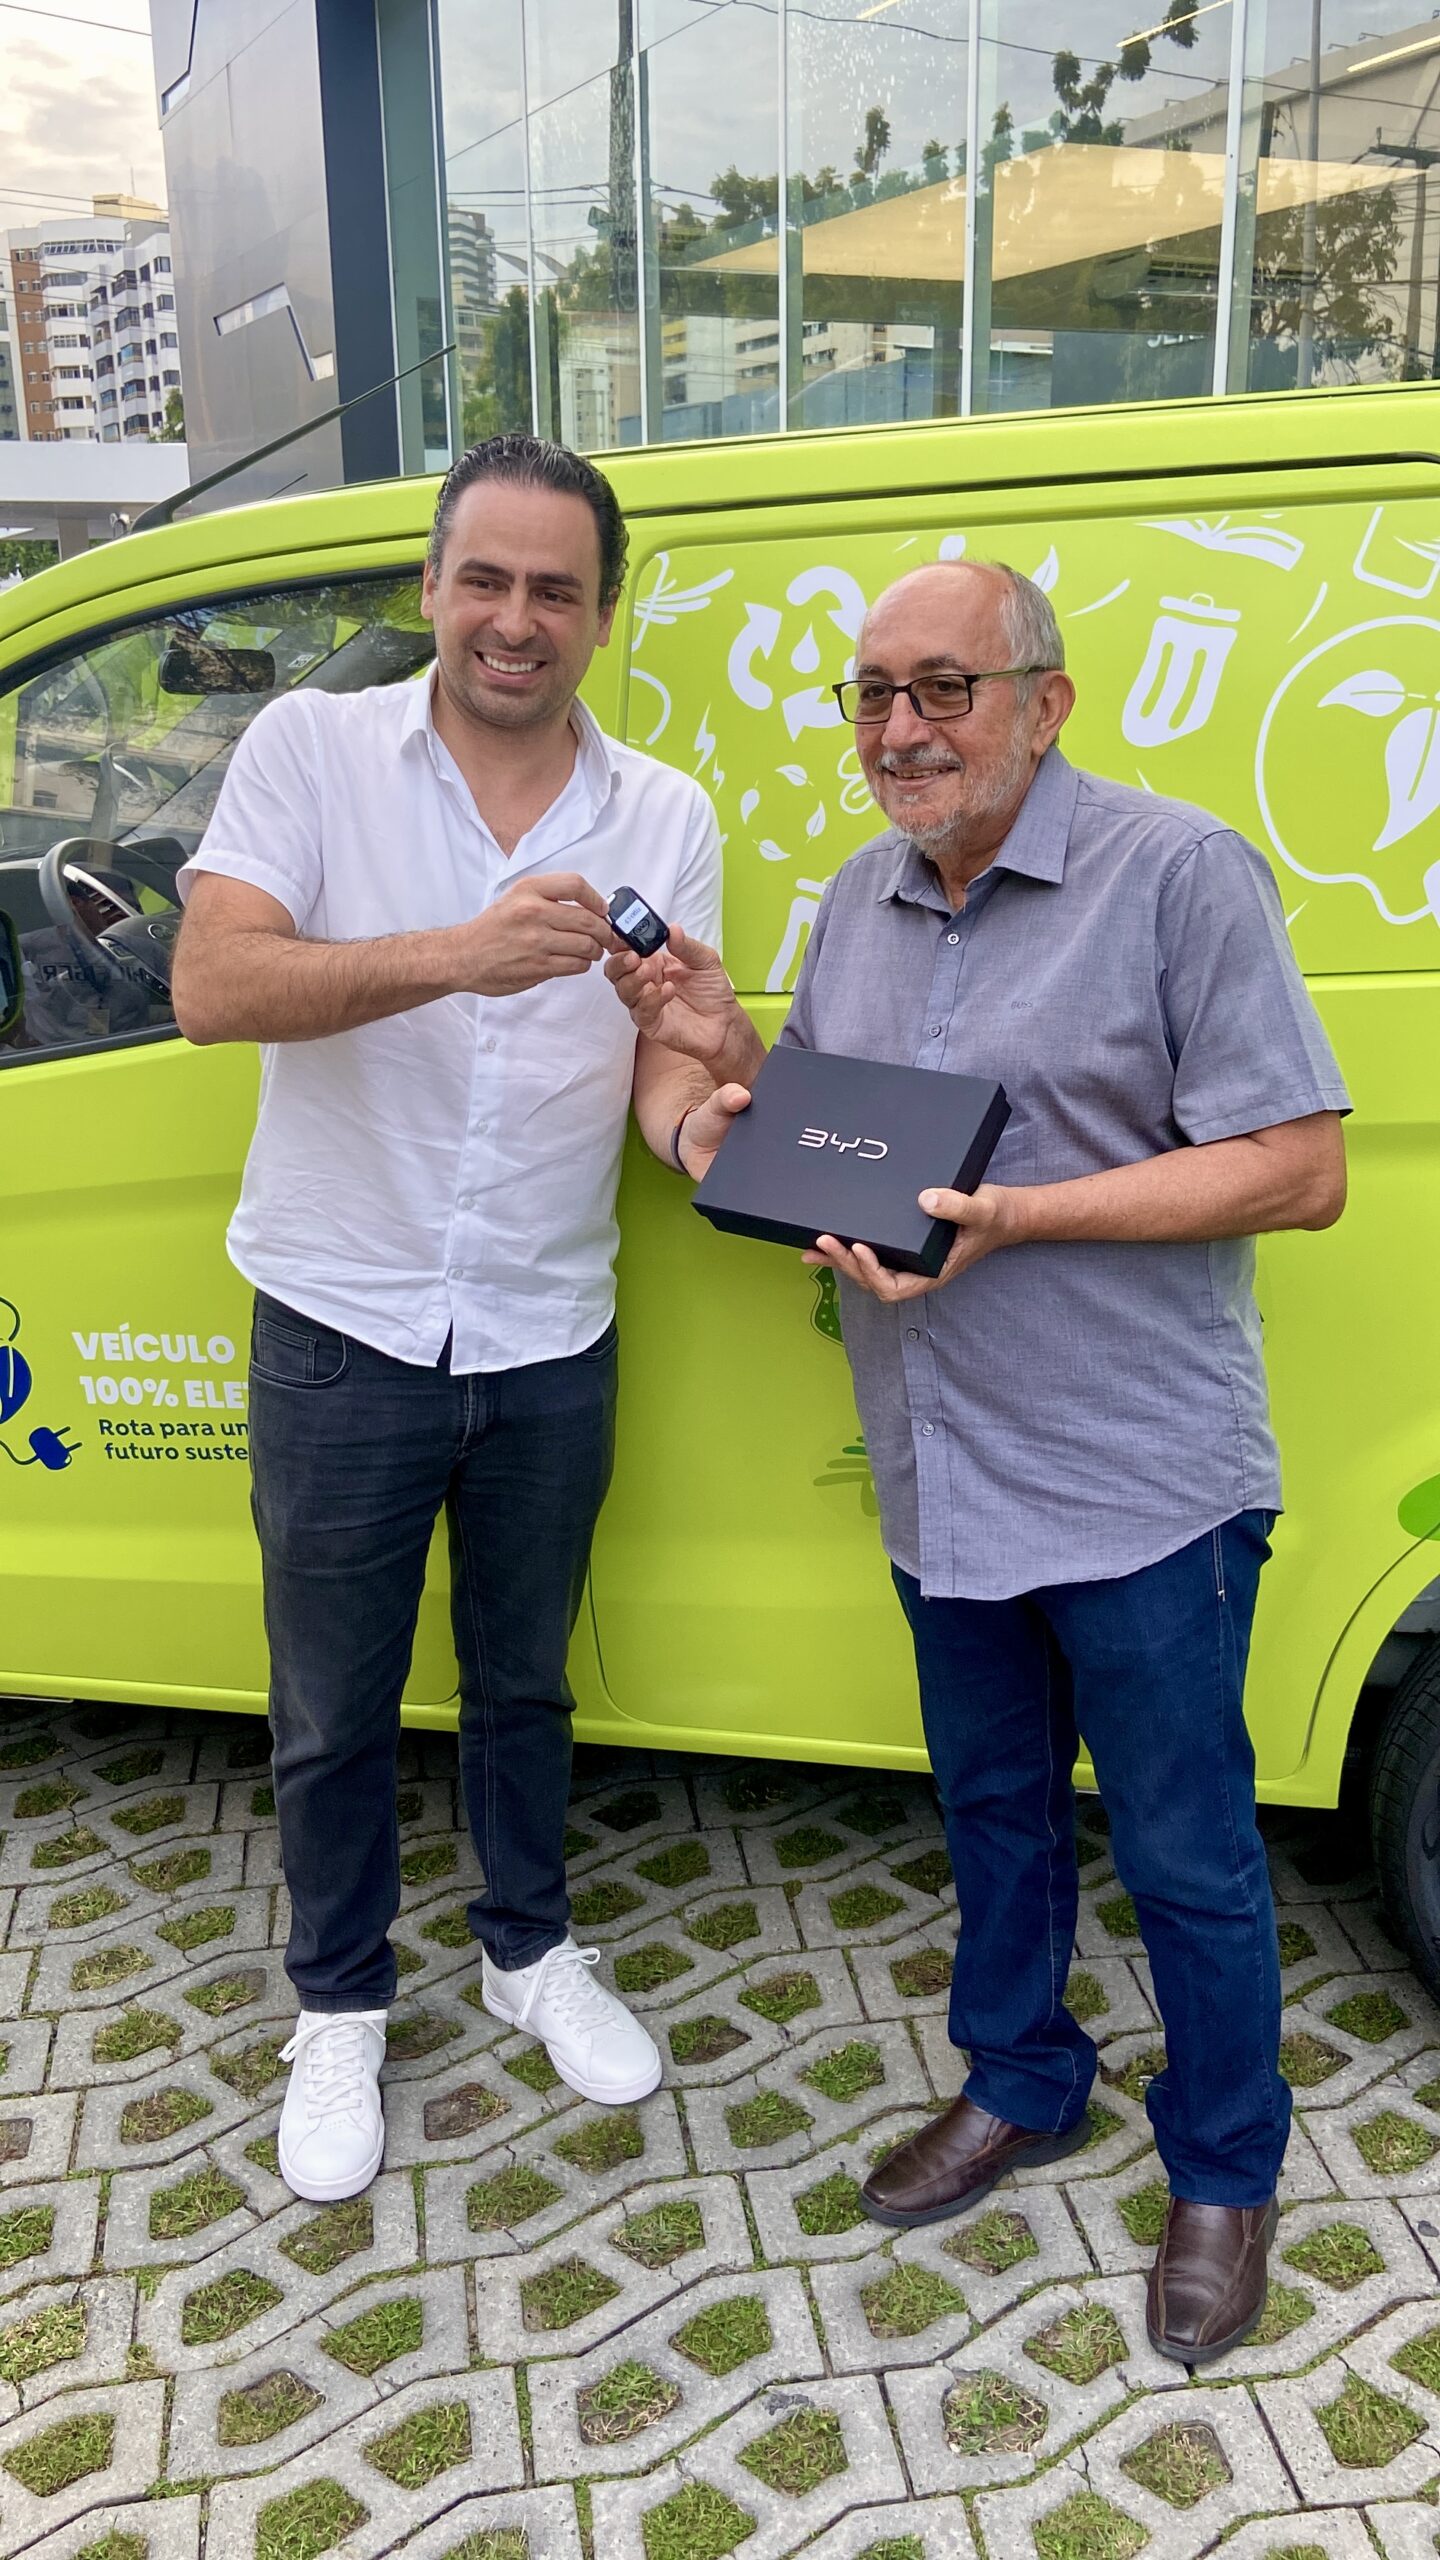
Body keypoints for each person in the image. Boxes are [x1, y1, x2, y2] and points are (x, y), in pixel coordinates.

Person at [606, 558, 1349, 2366]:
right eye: (872, 693)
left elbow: (1299, 1166)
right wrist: (719, 1063)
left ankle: (1226, 2167)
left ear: (1045, 702)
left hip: (1139, 1476)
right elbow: (841, 1134)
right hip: (940, 1467)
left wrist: (1020, 1216)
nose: (900, 729)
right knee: (994, 1810)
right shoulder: (858, 897)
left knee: (1186, 1849)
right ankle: (1022, 2078)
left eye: (943, 687)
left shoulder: (1177, 875)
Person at [170, 435, 753, 2205]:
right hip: (340, 1317)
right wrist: (458, 949)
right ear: (429, 588)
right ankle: (341, 2001)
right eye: (484, 579)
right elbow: (212, 984)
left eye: (555, 590)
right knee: (332, 1703)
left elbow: (669, 1067)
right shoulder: (312, 749)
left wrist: (706, 1111)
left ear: (601, 615)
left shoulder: (664, 815)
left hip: (546, 1324)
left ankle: (528, 1949)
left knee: (523, 1680)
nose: (516, 619)